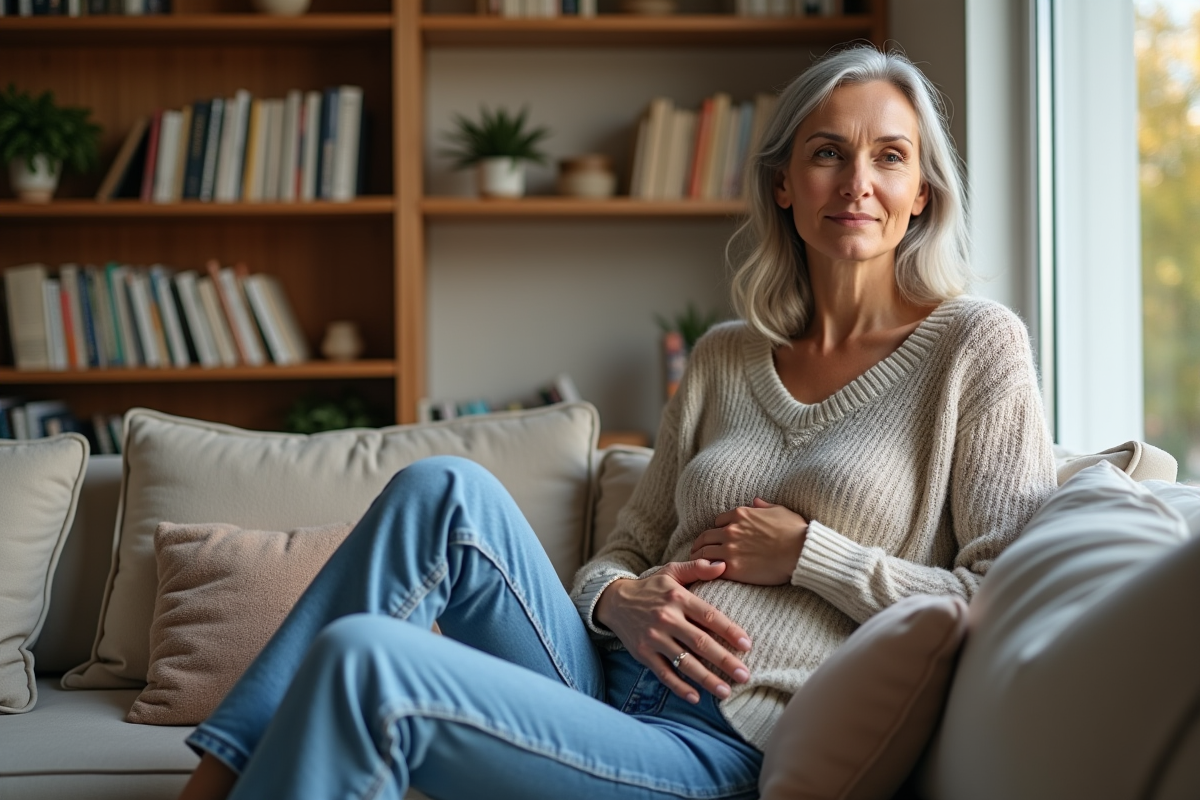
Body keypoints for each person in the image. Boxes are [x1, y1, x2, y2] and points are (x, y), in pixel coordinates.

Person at [179, 44, 1057, 800]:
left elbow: (1007, 595)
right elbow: (627, 548)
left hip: (714, 747)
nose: (858, 182)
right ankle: (212, 779)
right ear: (785, 184)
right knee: (439, 487)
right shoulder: (722, 356)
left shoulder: (975, 347)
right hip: (598, 678)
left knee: (369, 659)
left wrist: (809, 556)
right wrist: (616, 602)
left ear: (922, 194)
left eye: (890, 156)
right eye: (829, 153)